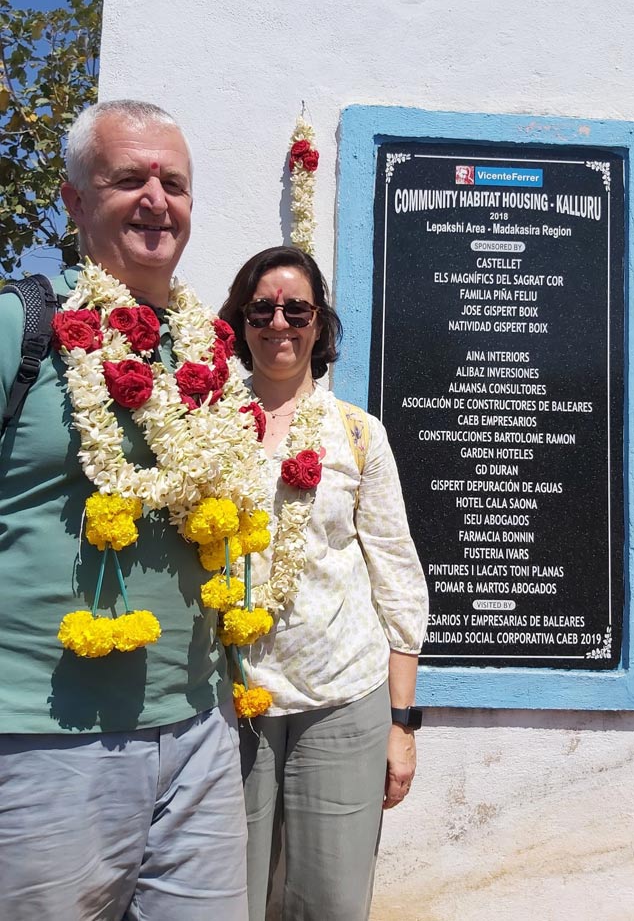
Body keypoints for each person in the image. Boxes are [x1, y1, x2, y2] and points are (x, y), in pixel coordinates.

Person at [0, 101, 256, 920]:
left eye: (173, 183)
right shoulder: (20, 325)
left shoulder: (209, 349)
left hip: (199, 730)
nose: (156, 199)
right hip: (42, 739)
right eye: (128, 179)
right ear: (75, 200)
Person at [219, 246, 429, 921]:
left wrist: (401, 723)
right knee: (228, 901)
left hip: (342, 696)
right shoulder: (206, 427)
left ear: (320, 323)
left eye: (297, 310)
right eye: (261, 309)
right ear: (241, 320)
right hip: (230, 701)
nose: (278, 323)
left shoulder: (358, 434)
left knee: (330, 904)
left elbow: (398, 578)